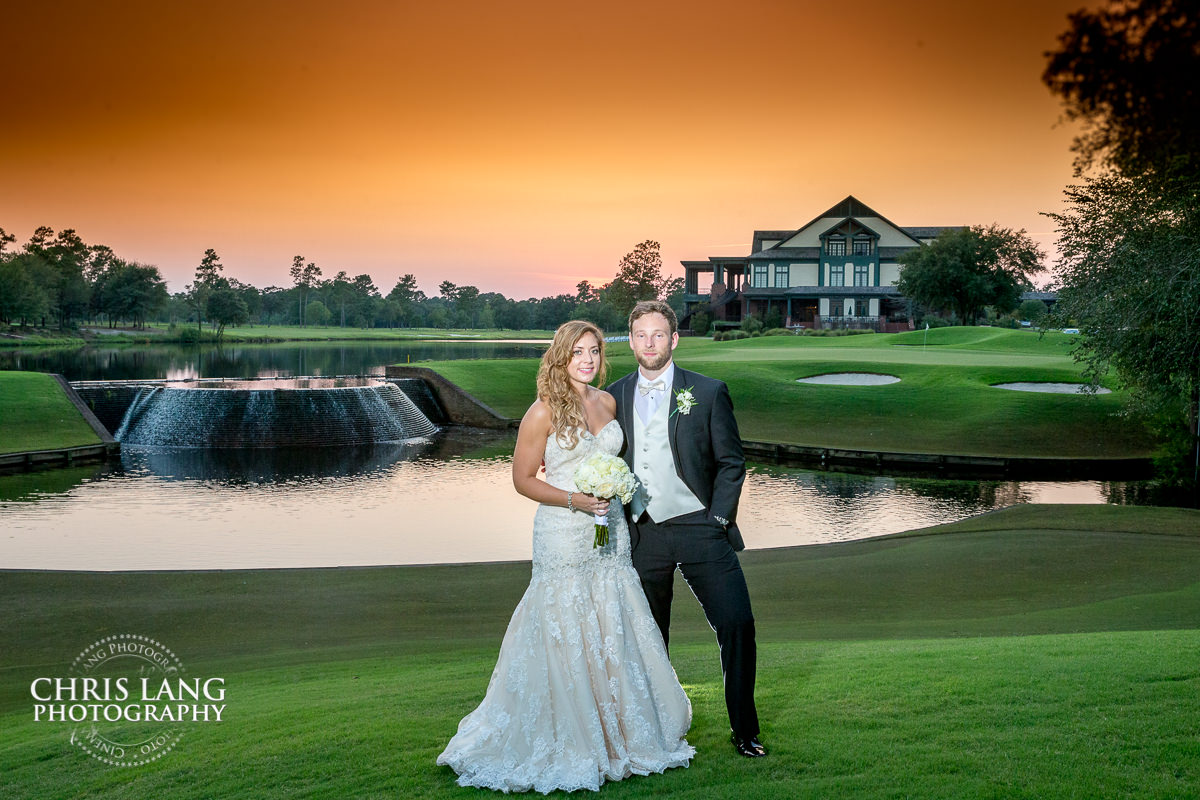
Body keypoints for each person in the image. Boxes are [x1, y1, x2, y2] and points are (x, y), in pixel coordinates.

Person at [437, 320, 693, 793]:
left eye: (595, 351)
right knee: (566, 623)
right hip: (563, 531)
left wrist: (619, 492)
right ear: (560, 356)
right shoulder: (543, 412)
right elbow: (523, 479)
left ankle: (619, 733)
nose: (588, 360)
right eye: (578, 352)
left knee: (611, 619)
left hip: (610, 533)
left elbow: (622, 463)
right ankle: (572, 737)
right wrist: (575, 500)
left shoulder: (607, 402)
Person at [606, 300, 765, 758]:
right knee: (650, 637)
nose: (649, 343)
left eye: (659, 335)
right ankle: (655, 729)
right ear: (631, 339)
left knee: (737, 624)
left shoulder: (709, 391)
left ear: (673, 340)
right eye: (641, 335)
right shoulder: (614, 396)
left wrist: (718, 519)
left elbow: (732, 462)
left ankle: (744, 731)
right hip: (644, 532)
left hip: (702, 528)